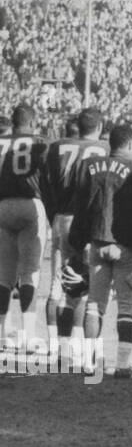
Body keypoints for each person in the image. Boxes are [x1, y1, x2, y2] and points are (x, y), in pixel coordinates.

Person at [68, 121, 132, 378]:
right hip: (125, 246)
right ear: (130, 143)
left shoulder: (89, 165)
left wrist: (79, 242)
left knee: (95, 304)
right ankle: (122, 364)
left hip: (96, 243)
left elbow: (81, 208)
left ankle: (90, 363)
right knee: (127, 306)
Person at [43, 108, 107, 365]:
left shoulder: (57, 147)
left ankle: (60, 347)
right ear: (100, 127)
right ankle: (79, 347)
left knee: (60, 284)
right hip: (90, 221)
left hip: (63, 217)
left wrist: (53, 217)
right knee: (86, 285)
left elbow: (45, 186)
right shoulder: (103, 148)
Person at [0, 104, 52, 352]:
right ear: (31, 122)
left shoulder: (1, 142)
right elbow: (49, 178)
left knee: (3, 275)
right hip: (31, 205)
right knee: (30, 273)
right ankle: (29, 335)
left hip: (2, 206)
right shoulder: (40, 142)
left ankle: (1, 335)